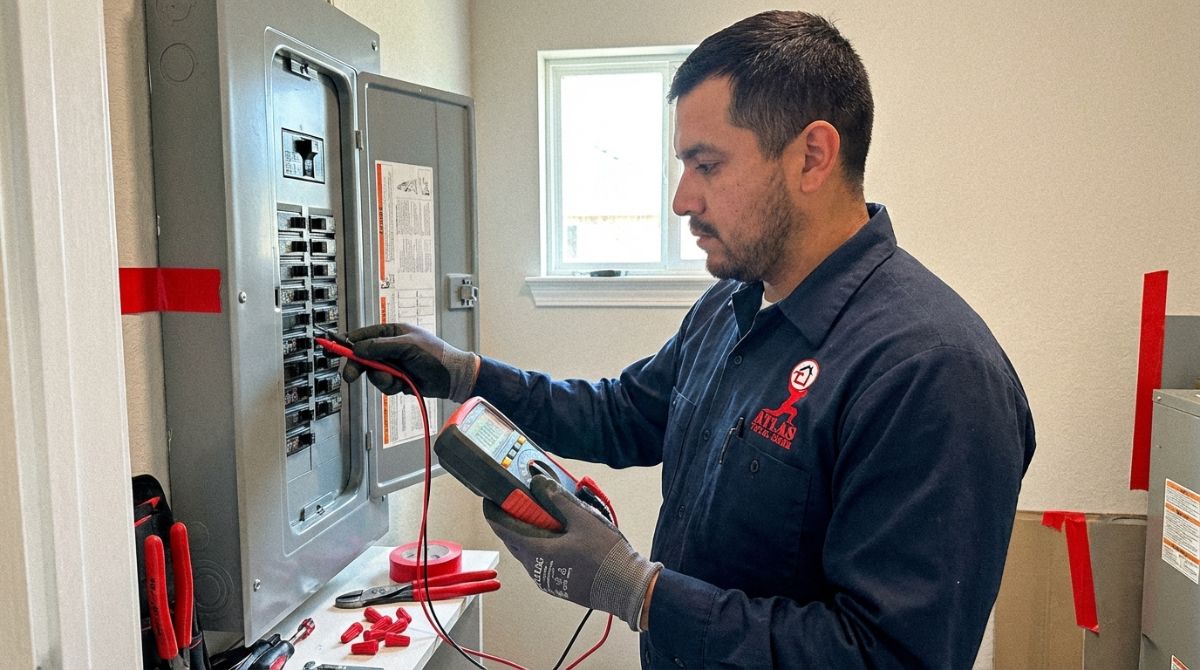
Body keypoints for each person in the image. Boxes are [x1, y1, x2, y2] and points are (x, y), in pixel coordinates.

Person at [341, 10, 1035, 668]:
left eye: (707, 165)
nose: (681, 200)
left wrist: (638, 592)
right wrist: (465, 375)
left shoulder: (933, 372)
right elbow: (624, 413)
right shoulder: (733, 306)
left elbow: (884, 656)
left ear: (813, 157)